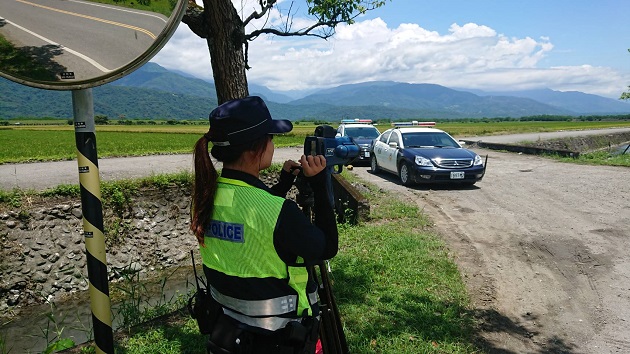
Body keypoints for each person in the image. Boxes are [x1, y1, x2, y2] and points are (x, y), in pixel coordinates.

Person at [190, 96, 339, 354]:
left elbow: (254, 219)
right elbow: (326, 248)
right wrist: (321, 184)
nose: (272, 145)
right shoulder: (281, 213)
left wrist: (282, 184)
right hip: (279, 339)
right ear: (255, 148)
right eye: (271, 138)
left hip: (228, 332)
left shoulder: (206, 200)